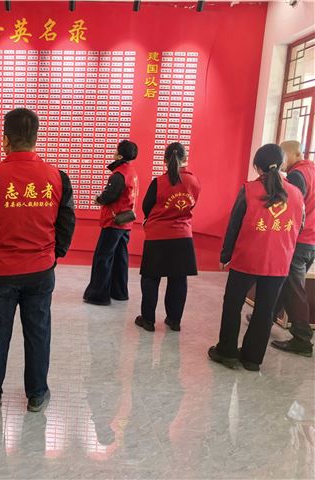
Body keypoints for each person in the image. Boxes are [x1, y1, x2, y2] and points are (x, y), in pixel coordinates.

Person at [0, 108, 76, 412]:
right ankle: (37, 393)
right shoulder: (58, 177)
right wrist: (54, 254)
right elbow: (67, 221)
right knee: (38, 332)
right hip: (41, 270)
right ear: (35, 138)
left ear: (5, 140)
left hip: (0, 272)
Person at [209, 144, 304, 372]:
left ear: (257, 166)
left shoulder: (249, 190)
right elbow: (299, 226)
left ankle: (227, 352)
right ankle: (252, 359)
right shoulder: (296, 193)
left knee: (233, 304)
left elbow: (234, 225)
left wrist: (225, 255)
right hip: (279, 262)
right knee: (266, 309)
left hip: (247, 258)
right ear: (281, 164)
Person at [135, 143, 201, 332]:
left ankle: (148, 320)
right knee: (178, 280)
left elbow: (146, 206)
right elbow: (192, 205)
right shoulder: (194, 181)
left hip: (157, 236)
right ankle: (174, 320)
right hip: (183, 236)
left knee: (151, 278)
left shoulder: (158, 182)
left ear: (165, 160)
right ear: (185, 158)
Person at [270, 141, 315, 357]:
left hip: (299, 240)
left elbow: (292, 208)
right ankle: (268, 315)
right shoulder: (312, 170)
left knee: (294, 289)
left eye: (283, 157)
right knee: (287, 283)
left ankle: (302, 338)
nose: (282, 163)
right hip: (311, 241)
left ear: (293, 155)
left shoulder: (297, 175)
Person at [83, 140, 139, 306]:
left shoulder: (119, 174)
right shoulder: (132, 172)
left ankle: (98, 296)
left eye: (116, 150)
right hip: (125, 222)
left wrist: (99, 199)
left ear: (120, 155)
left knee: (103, 258)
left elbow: (110, 195)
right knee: (120, 258)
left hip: (114, 222)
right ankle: (119, 292)